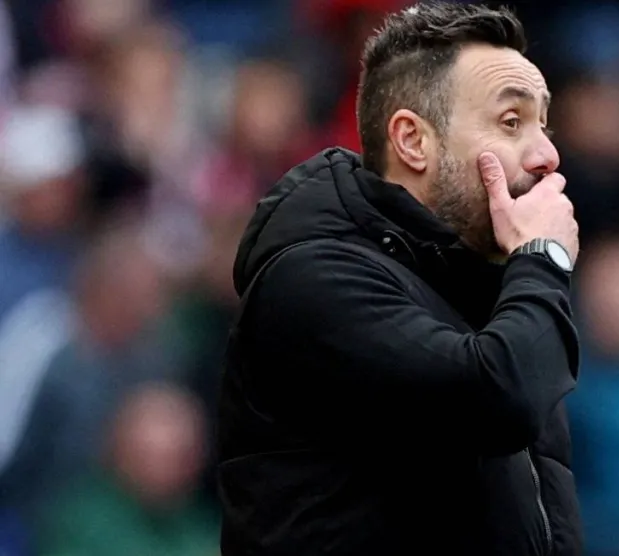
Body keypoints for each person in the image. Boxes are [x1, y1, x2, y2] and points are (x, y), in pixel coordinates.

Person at [216, 3, 582, 555]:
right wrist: (544, 255)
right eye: (512, 122)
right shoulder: (314, 277)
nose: (547, 154)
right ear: (413, 141)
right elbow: (495, 402)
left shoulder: (495, 299)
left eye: (543, 124)